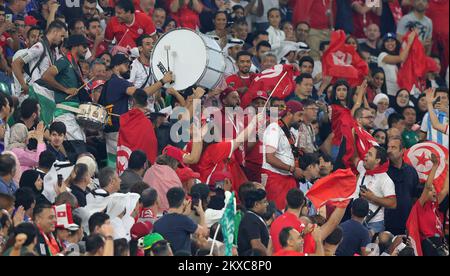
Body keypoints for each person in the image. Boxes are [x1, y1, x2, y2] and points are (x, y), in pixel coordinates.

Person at [40, 34, 90, 151]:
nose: (86, 49)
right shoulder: (64, 61)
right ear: (75, 46)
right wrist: (65, 89)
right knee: (78, 152)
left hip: (73, 115)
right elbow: (46, 76)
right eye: (84, 46)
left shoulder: (76, 66)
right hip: (64, 115)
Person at [263, 101, 303, 210]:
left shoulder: (289, 132)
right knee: (277, 213)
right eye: (299, 115)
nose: (302, 119)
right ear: (289, 113)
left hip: (287, 177)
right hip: (275, 178)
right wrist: (292, 169)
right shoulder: (274, 128)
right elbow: (269, 157)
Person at [11, 20, 67, 94]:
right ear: (55, 32)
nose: (62, 39)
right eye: (61, 36)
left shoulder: (51, 50)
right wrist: (23, 85)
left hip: (46, 93)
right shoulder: (39, 47)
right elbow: (16, 63)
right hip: (37, 93)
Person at [153, 187, 208, 254]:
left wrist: (184, 214)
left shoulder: (157, 223)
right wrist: (201, 213)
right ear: (183, 202)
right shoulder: (184, 221)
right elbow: (204, 232)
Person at [412, 154, 448, 256]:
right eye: (431, 190)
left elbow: (445, 189)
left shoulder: (434, 205)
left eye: (434, 189)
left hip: (440, 243)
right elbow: (427, 186)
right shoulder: (420, 206)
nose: (434, 192)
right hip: (429, 245)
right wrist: (435, 166)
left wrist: (448, 168)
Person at [357, 146, 397, 234]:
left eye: (370, 154)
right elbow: (353, 156)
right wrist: (354, 133)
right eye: (367, 153)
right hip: (356, 220)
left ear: (377, 160)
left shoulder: (385, 179)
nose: (365, 155)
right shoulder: (363, 168)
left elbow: (393, 204)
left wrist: (372, 197)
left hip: (374, 224)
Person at [385, 138, 420, 235]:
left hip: (406, 222)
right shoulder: (383, 170)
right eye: (388, 147)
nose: (389, 151)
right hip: (386, 223)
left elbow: (415, 196)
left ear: (403, 151)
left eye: (393, 147)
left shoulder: (411, 171)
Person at [377, 32, 416, 98]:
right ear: (383, 44)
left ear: (396, 43)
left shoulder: (399, 55)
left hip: (399, 94)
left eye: (392, 41)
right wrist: (409, 43)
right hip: (387, 93)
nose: (390, 43)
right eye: (387, 41)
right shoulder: (382, 55)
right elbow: (401, 58)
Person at [237, 189, 270, 256]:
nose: (267, 204)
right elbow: (256, 245)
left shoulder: (254, 216)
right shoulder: (250, 220)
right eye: (264, 202)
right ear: (256, 204)